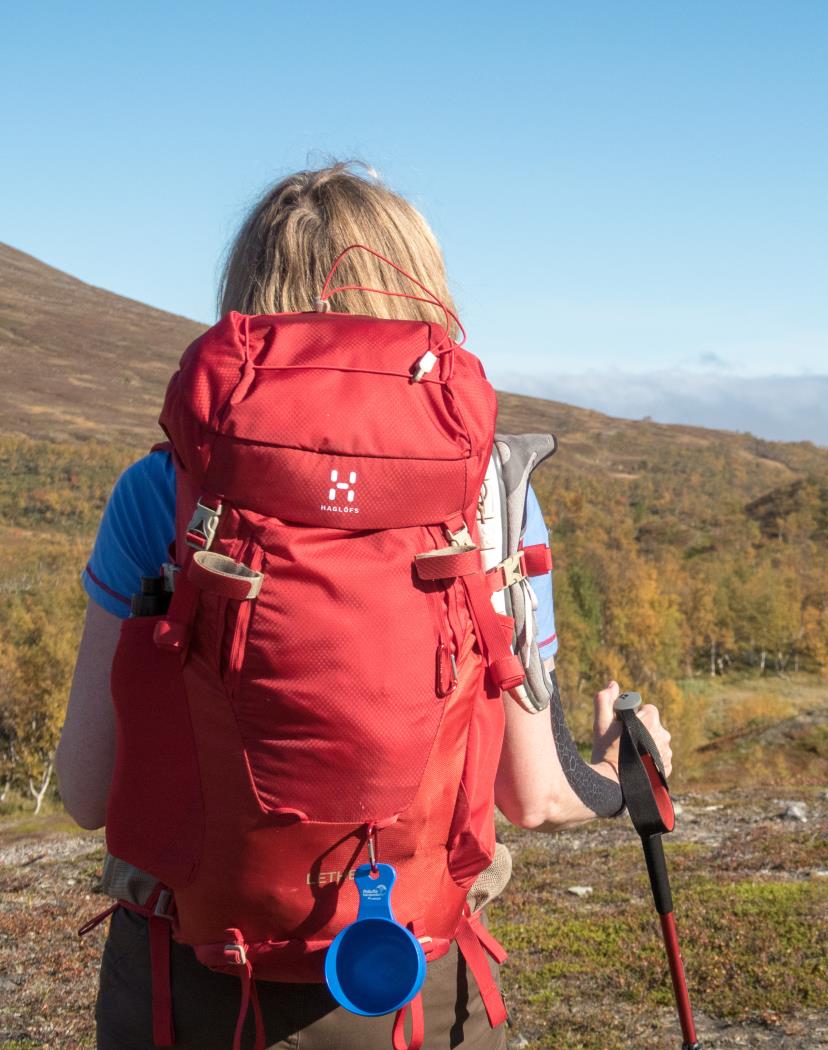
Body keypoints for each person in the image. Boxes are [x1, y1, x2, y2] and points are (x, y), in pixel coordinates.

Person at [53, 162, 672, 1049]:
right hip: (410, 985)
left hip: (185, 983)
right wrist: (624, 773)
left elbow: (84, 790)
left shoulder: (162, 491)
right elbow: (533, 796)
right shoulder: (491, 492)